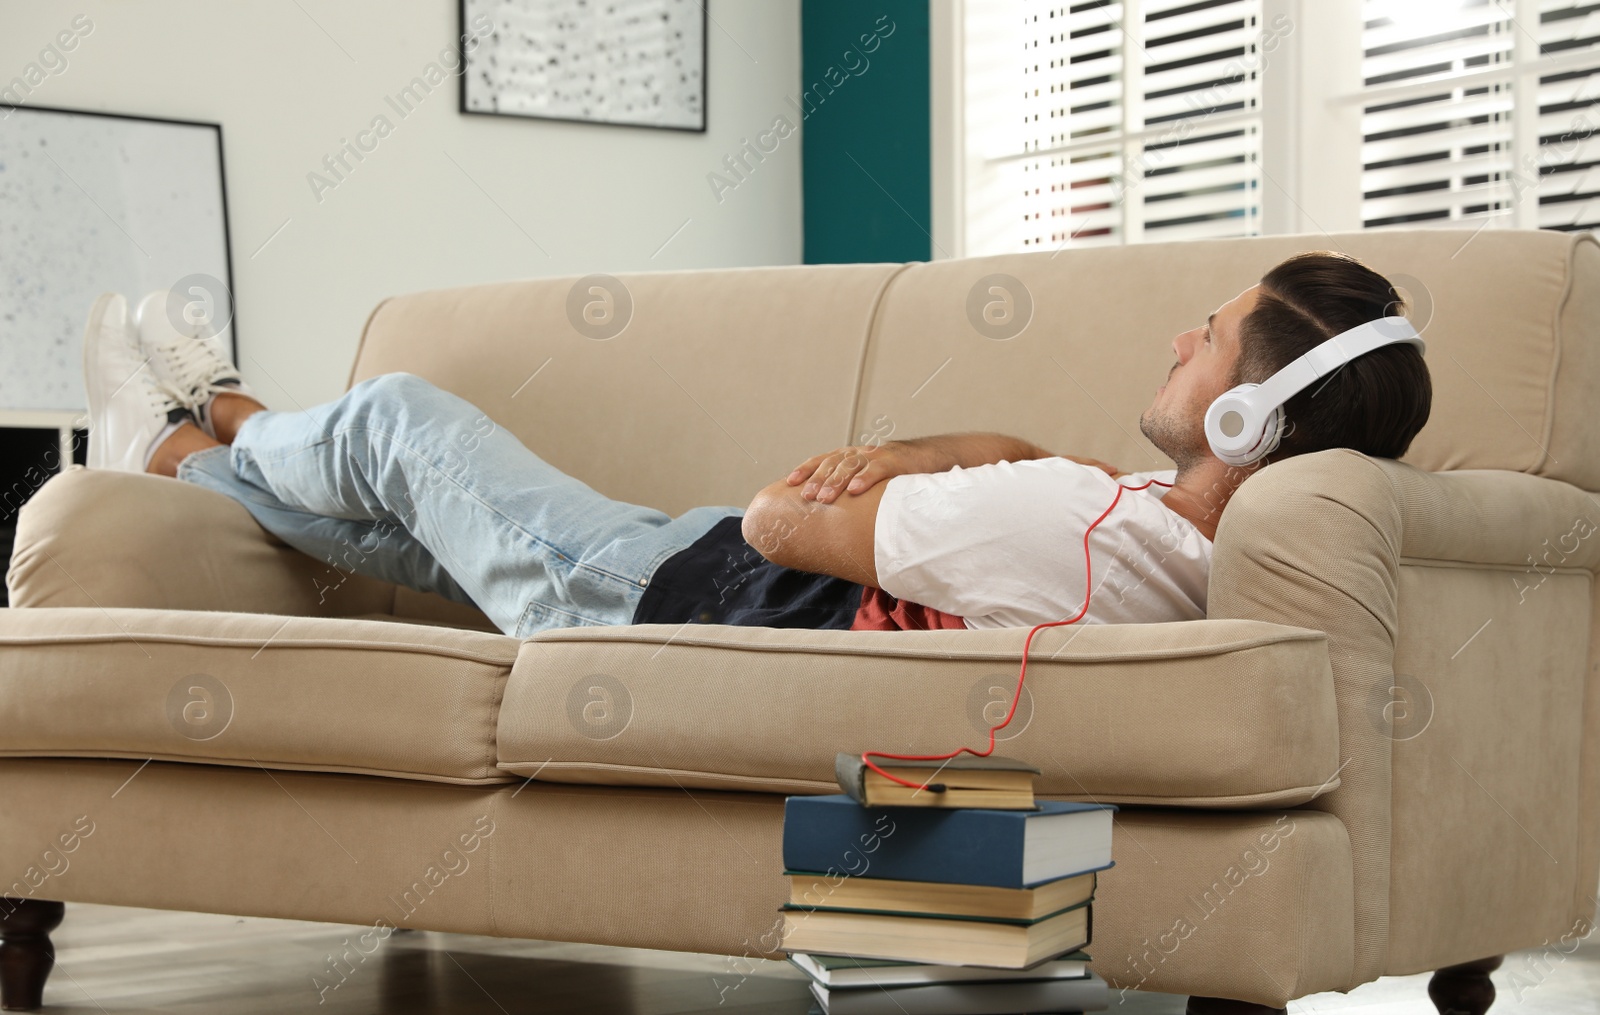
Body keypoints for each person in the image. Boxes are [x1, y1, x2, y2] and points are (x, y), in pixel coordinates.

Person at [78, 251, 1431, 638]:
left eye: (1206, 339)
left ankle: (228, 413)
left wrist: (854, 476)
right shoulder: (1147, 538)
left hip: (667, 599)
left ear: (1249, 417)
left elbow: (782, 521)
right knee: (399, 538)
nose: (1174, 345)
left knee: (398, 420)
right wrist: (920, 462)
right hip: (696, 581)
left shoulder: (1060, 527)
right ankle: (192, 449)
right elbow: (1011, 449)